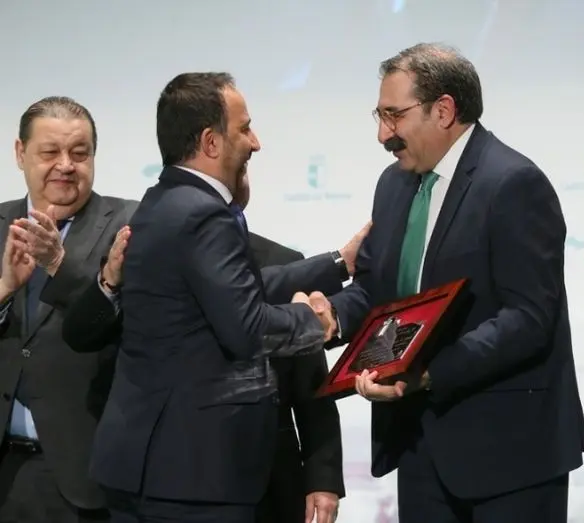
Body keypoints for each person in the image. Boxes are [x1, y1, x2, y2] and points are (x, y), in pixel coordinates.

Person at [311, 43, 584, 523]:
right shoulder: (393, 184)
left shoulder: (513, 183)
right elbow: (376, 289)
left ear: (443, 110)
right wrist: (332, 317)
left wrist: (428, 373)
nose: (383, 134)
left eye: (394, 115)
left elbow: (528, 318)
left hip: (510, 456)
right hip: (419, 446)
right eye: (379, 115)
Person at [87, 72, 341, 523]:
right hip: (194, 478)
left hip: (150, 471)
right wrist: (313, 320)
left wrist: (341, 263)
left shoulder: (158, 203)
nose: (255, 142)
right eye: (245, 128)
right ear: (210, 142)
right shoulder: (205, 214)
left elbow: (238, 292)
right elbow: (246, 328)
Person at [62, 172, 360, 523]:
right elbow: (81, 334)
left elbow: (312, 389)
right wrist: (110, 281)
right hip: (162, 473)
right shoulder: (144, 257)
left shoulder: (284, 260)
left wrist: (323, 478)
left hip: (266, 474)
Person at [0, 96, 137, 523]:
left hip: (87, 475)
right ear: (20, 153)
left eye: (80, 153)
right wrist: (3, 290)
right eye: (50, 152)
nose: (66, 165)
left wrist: (58, 264)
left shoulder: (129, 226)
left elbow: (130, 326)